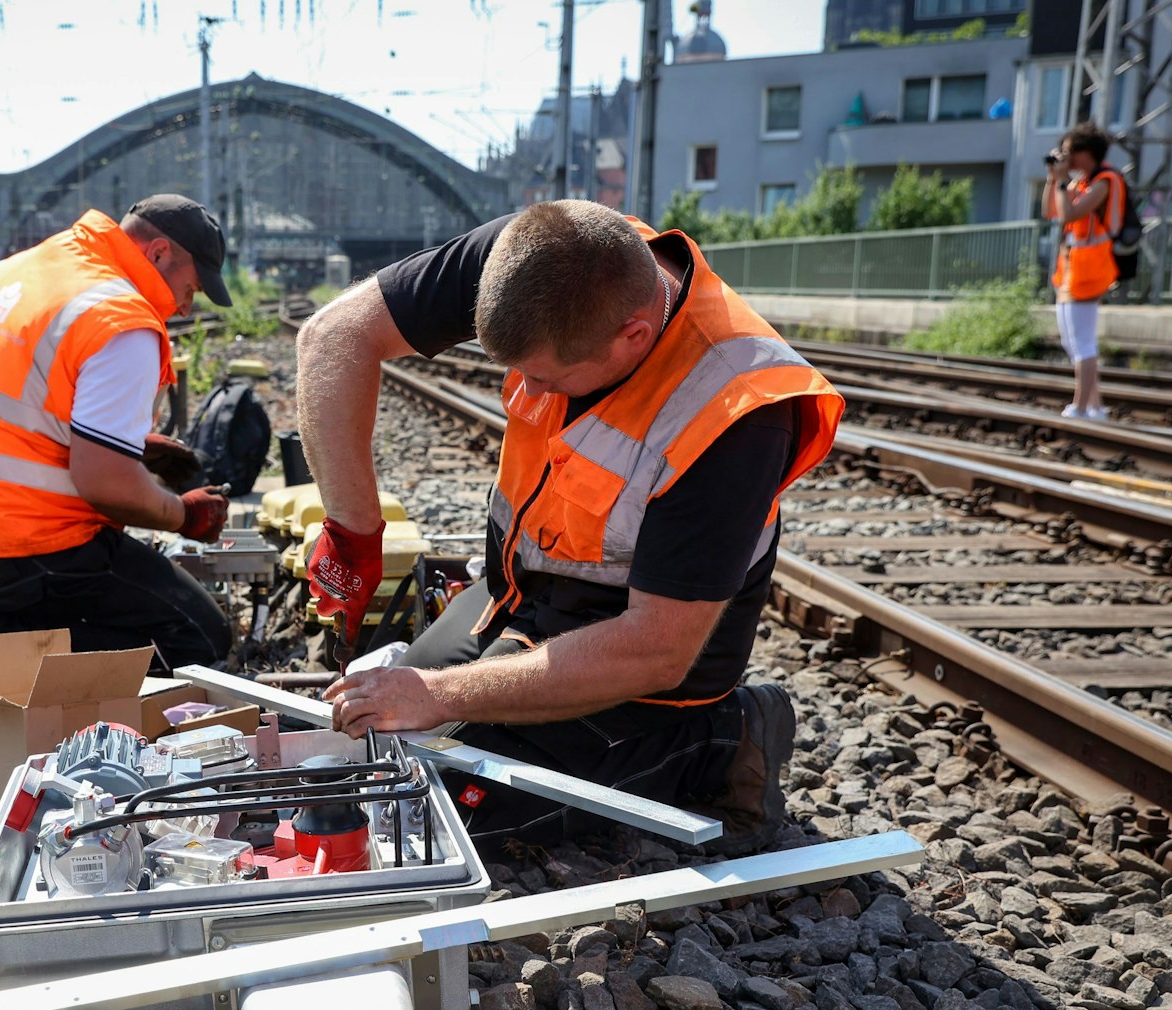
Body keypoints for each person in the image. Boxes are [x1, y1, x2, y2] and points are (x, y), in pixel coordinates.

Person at [296, 200, 843, 852]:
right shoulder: (545, 252)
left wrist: (437, 694)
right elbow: (333, 336)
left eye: (544, 376)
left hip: (638, 658)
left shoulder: (735, 412)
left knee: (436, 814)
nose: (528, 392)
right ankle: (487, 673)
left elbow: (655, 651)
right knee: (376, 742)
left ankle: (723, 739)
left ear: (633, 335)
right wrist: (353, 530)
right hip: (515, 598)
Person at [0, 195, 236, 684]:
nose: (185, 307)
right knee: (199, 641)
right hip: (26, 549)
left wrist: (131, 445)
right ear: (159, 253)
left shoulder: (21, 269)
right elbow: (106, 485)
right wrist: (184, 515)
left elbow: (28, 405)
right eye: (191, 288)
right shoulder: (121, 322)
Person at [1046, 121, 1126, 421]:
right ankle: (1095, 407)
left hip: (1090, 270)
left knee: (1082, 342)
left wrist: (1062, 180)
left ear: (1085, 153)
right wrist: (1053, 179)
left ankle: (1080, 407)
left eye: (1068, 152)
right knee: (1071, 342)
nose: (1064, 157)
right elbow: (1051, 211)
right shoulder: (1080, 184)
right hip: (1072, 269)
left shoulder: (1105, 181)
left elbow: (1069, 214)